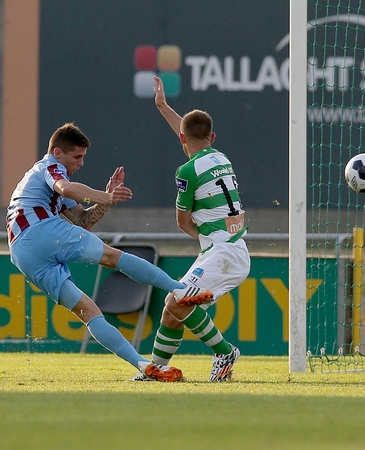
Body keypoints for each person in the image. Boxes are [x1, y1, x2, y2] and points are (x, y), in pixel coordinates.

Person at [7, 123, 213, 382]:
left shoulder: (41, 181)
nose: (81, 163)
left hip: (22, 253)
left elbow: (82, 220)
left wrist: (104, 199)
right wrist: (105, 196)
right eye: (77, 156)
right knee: (111, 257)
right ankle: (179, 289)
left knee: (88, 312)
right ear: (58, 152)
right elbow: (66, 188)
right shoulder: (49, 166)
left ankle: (144, 366)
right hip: (38, 230)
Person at [129, 76, 251, 382]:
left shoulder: (186, 171)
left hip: (223, 252)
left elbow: (182, 222)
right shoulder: (221, 158)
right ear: (213, 136)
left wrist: (204, 234)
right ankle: (158, 370)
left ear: (182, 139)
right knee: (173, 310)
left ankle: (224, 352)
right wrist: (164, 107)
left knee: (176, 300)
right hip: (229, 250)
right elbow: (190, 136)